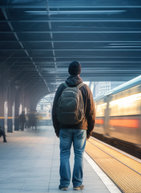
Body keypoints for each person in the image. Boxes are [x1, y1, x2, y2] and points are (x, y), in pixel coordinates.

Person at [52, 61, 95, 191]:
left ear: (69, 71)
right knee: (79, 155)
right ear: (79, 72)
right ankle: (77, 184)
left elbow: (54, 110)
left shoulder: (61, 87)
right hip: (81, 127)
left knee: (64, 154)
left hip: (64, 127)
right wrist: (89, 131)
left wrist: (57, 129)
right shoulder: (85, 88)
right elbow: (91, 112)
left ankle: (64, 184)